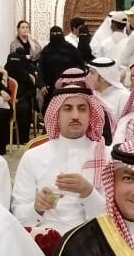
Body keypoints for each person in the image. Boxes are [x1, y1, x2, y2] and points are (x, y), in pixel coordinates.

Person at [11, 86, 108, 237]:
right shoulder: (33, 156)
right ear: (56, 115)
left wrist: (88, 192)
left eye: (82, 109)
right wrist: (36, 207)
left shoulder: (106, 156)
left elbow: (114, 219)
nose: (75, 116)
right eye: (67, 109)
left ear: (91, 115)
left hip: (91, 239)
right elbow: (18, 215)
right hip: (42, 239)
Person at [88, 56, 129, 123]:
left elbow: (128, 124)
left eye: (92, 73)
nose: (88, 76)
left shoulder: (124, 97)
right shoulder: (92, 94)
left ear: (102, 77)